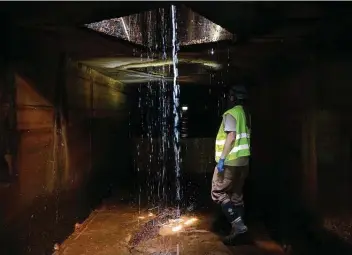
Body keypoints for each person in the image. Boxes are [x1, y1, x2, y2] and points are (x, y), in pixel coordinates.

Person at [211, 84, 251, 243]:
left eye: (230, 96)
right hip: (244, 162)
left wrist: (221, 159)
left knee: (218, 192)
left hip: (230, 162)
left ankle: (239, 226)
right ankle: (238, 233)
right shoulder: (246, 114)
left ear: (233, 97)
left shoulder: (230, 113)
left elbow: (232, 136)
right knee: (236, 196)